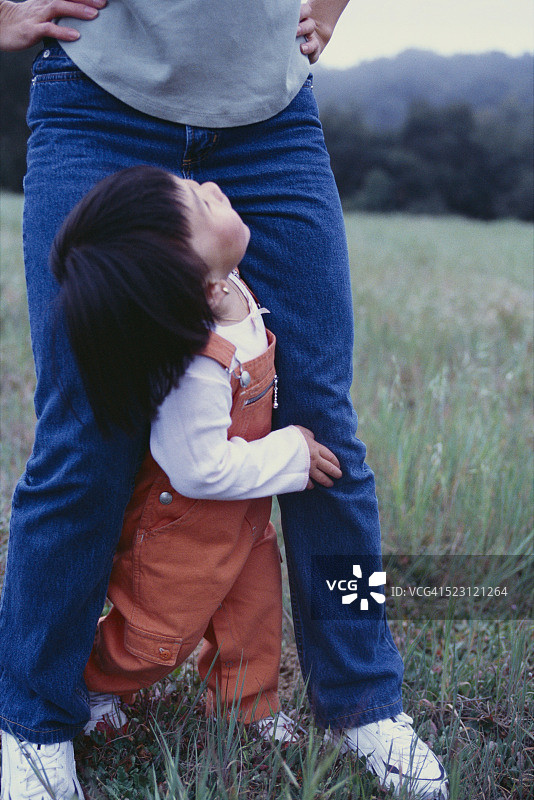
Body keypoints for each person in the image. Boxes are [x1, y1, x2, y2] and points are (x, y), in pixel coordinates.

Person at [0, 2, 449, 799]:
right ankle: (33, 720)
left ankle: (365, 703)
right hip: (96, 103)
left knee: (324, 423)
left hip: (271, 119)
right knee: (85, 426)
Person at [52, 165, 341, 738]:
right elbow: (199, 469)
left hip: (243, 517)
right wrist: (291, 453)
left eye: (194, 189)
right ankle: (92, 684)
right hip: (184, 531)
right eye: (201, 205)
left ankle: (246, 708)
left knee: (252, 614)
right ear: (201, 288)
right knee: (158, 639)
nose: (211, 187)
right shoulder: (198, 368)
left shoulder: (233, 284)